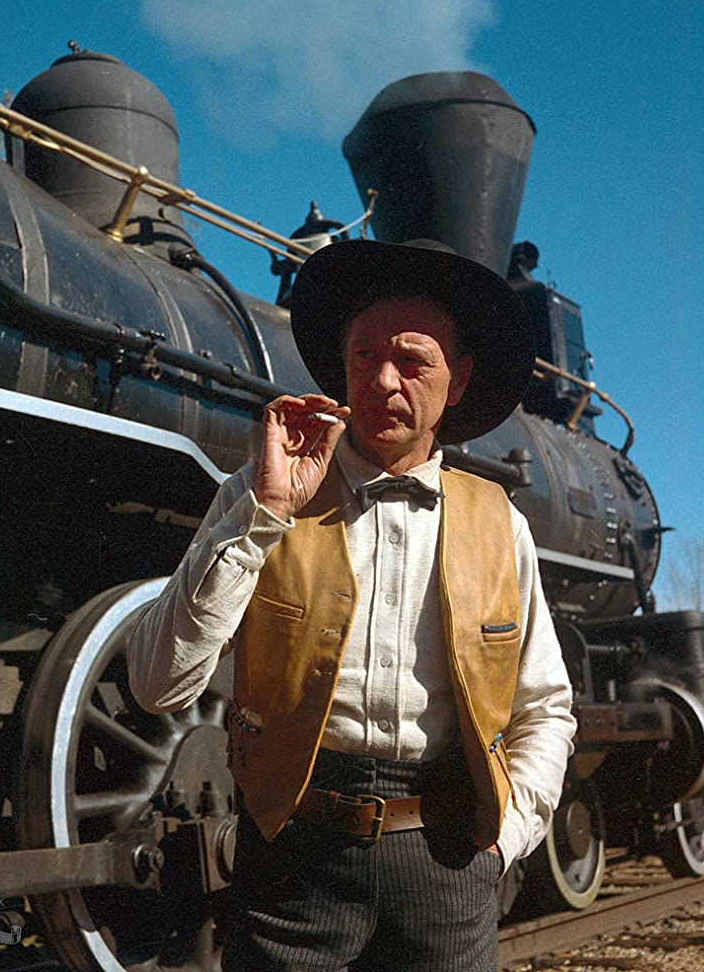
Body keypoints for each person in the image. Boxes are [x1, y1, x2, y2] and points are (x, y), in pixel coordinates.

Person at [129, 238, 576, 971]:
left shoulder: (502, 524)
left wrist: (506, 840)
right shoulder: (257, 495)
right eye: (365, 355)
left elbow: (545, 707)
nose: (383, 379)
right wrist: (264, 516)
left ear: (458, 381)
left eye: (412, 360)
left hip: (449, 866)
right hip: (291, 868)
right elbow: (158, 686)